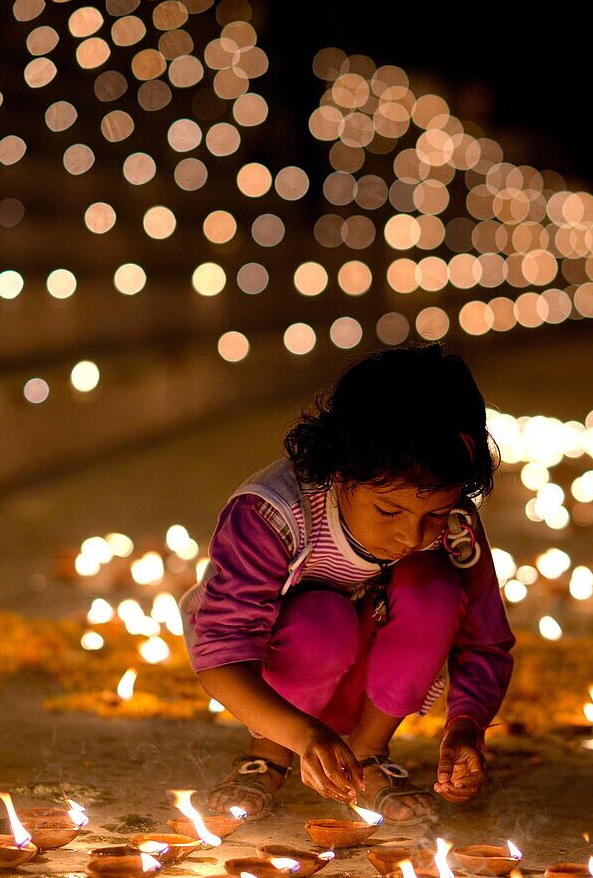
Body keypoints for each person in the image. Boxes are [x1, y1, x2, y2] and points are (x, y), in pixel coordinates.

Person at [179, 343, 515, 823]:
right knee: (323, 619)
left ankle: (368, 753)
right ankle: (269, 753)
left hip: (373, 677)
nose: (411, 535)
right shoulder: (273, 514)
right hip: (286, 673)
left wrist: (465, 726)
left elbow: (485, 641)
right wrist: (299, 735)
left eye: (434, 513)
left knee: (436, 587)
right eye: (388, 510)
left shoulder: (453, 527)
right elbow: (223, 653)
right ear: (338, 471)